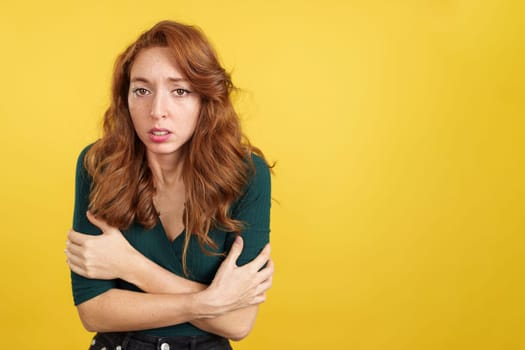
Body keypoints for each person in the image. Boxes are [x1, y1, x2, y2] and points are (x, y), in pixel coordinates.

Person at [64, 20, 274, 350]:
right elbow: (94, 311)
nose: (157, 111)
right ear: (126, 99)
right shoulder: (98, 165)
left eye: (180, 91)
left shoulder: (247, 174)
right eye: (142, 90)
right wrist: (207, 302)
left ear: (206, 98)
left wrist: (129, 266)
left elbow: (238, 322)